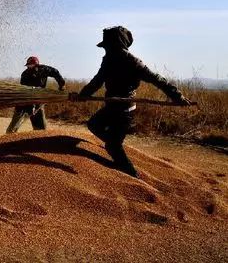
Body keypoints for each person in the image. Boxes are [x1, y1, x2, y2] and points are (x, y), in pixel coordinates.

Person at [69, 26, 191, 177]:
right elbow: (97, 81)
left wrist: (177, 96)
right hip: (111, 106)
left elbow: (157, 80)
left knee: (113, 146)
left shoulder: (133, 62)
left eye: (108, 46)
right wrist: (82, 95)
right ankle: (113, 146)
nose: (106, 50)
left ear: (118, 45)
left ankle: (132, 175)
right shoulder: (108, 60)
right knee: (94, 124)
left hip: (124, 111)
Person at [6, 56, 66, 133]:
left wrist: (62, 84)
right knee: (12, 129)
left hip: (38, 101)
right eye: (28, 66)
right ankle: (8, 138)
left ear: (37, 65)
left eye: (31, 66)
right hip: (24, 102)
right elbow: (25, 91)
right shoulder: (25, 74)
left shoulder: (44, 69)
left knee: (41, 130)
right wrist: (31, 106)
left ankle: (38, 141)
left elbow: (55, 72)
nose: (29, 68)